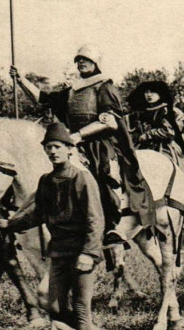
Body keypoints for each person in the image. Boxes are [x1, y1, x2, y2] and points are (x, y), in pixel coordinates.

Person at [0, 122, 109, 330]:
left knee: (80, 308)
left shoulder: (82, 178)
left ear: (69, 149)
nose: (52, 152)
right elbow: (37, 214)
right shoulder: (46, 180)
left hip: (81, 253)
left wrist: (89, 253)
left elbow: (95, 219)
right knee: (53, 305)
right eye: (48, 147)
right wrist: (9, 224)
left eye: (57, 147)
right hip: (59, 251)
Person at [11, 45, 150, 247]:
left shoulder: (104, 87)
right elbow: (42, 100)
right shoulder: (73, 90)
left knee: (102, 175)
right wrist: (21, 80)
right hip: (72, 143)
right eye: (78, 60)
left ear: (96, 63)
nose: (81, 63)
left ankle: (111, 226)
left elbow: (109, 121)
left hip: (99, 144)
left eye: (85, 59)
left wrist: (78, 135)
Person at [126, 81, 184, 172]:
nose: (149, 95)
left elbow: (171, 132)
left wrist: (148, 134)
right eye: (146, 92)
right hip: (143, 146)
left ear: (160, 93)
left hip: (166, 147)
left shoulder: (170, 111)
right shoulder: (140, 113)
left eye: (153, 92)